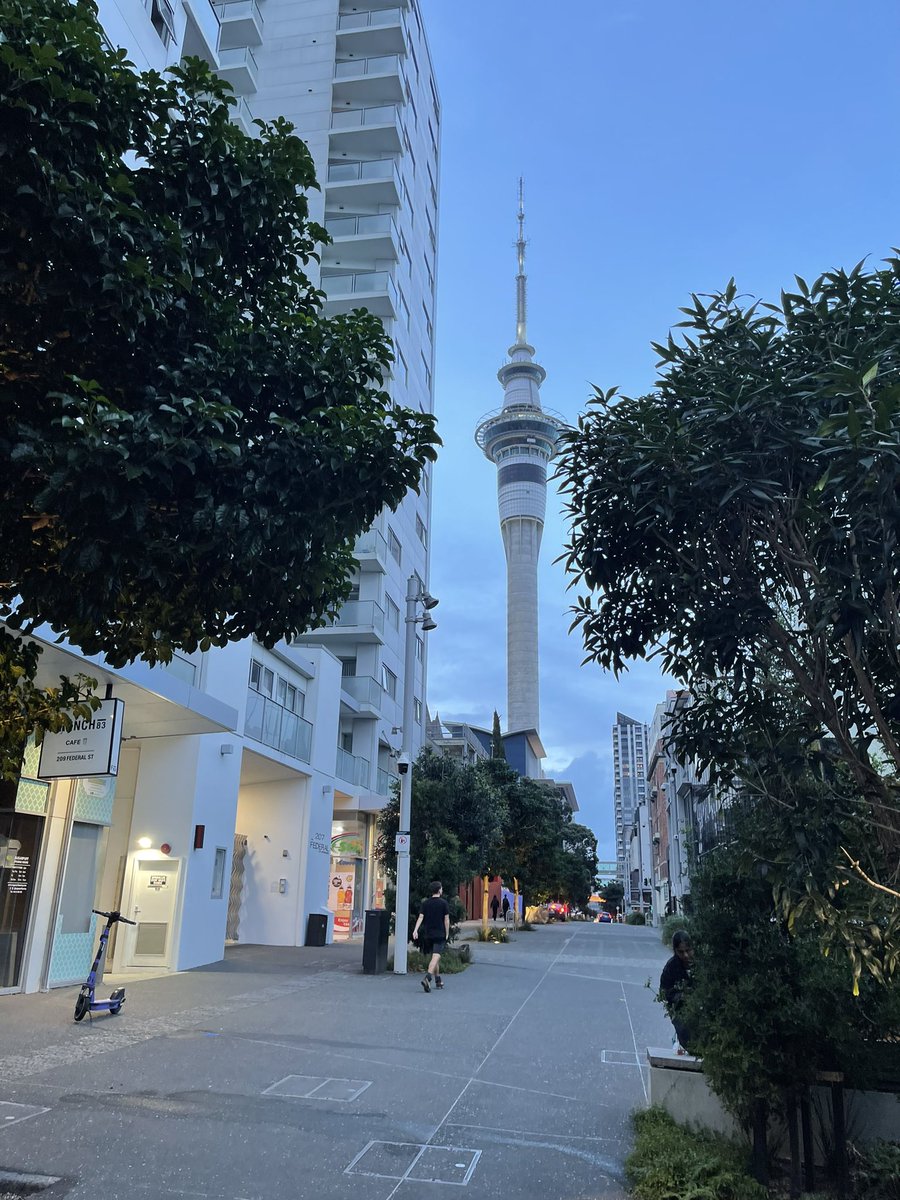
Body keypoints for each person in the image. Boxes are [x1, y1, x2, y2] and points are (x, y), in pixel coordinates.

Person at [659, 930, 695, 1055]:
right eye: (681, 952)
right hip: (679, 1008)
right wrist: (681, 996)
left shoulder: (702, 963)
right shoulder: (671, 967)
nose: (685, 955)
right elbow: (664, 992)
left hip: (701, 1006)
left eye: (688, 950)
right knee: (685, 1032)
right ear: (675, 951)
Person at [412, 881, 450, 993]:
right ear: (439, 890)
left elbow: (420, 917)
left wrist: (415, 930)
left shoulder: (426, 903)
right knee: (436, 957)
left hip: (428, 934)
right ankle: (428, 978)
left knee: (435, 957)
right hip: (439, 934)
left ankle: (438, 980)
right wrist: (447, 932)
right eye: (441, 888)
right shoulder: (443, 903)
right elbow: (446, 919)